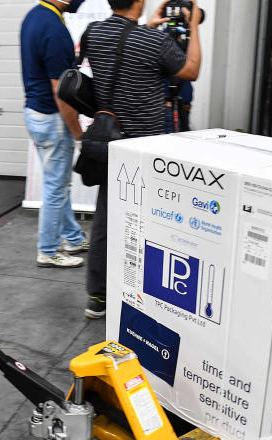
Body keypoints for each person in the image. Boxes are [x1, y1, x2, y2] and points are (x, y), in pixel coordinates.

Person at [80, 0, 202, 319]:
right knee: (152, 218)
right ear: (140, 2)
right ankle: (147, 291)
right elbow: (191, 70)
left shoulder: (94, 32)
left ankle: (99, 296)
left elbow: (122, 43)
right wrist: (192, 25)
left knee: (106, 217)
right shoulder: (154, 41)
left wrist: (146, 25)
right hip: (145, 147)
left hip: (109, 141)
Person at [20, 0, 89, 269]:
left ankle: (72, 238)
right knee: (56, 188)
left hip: (35, 113)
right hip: (52, 118)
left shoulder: (34, 17)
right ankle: (47, 251)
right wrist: (78, 133)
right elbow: (62, 93)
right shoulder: (54, 29)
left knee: (57, 184)